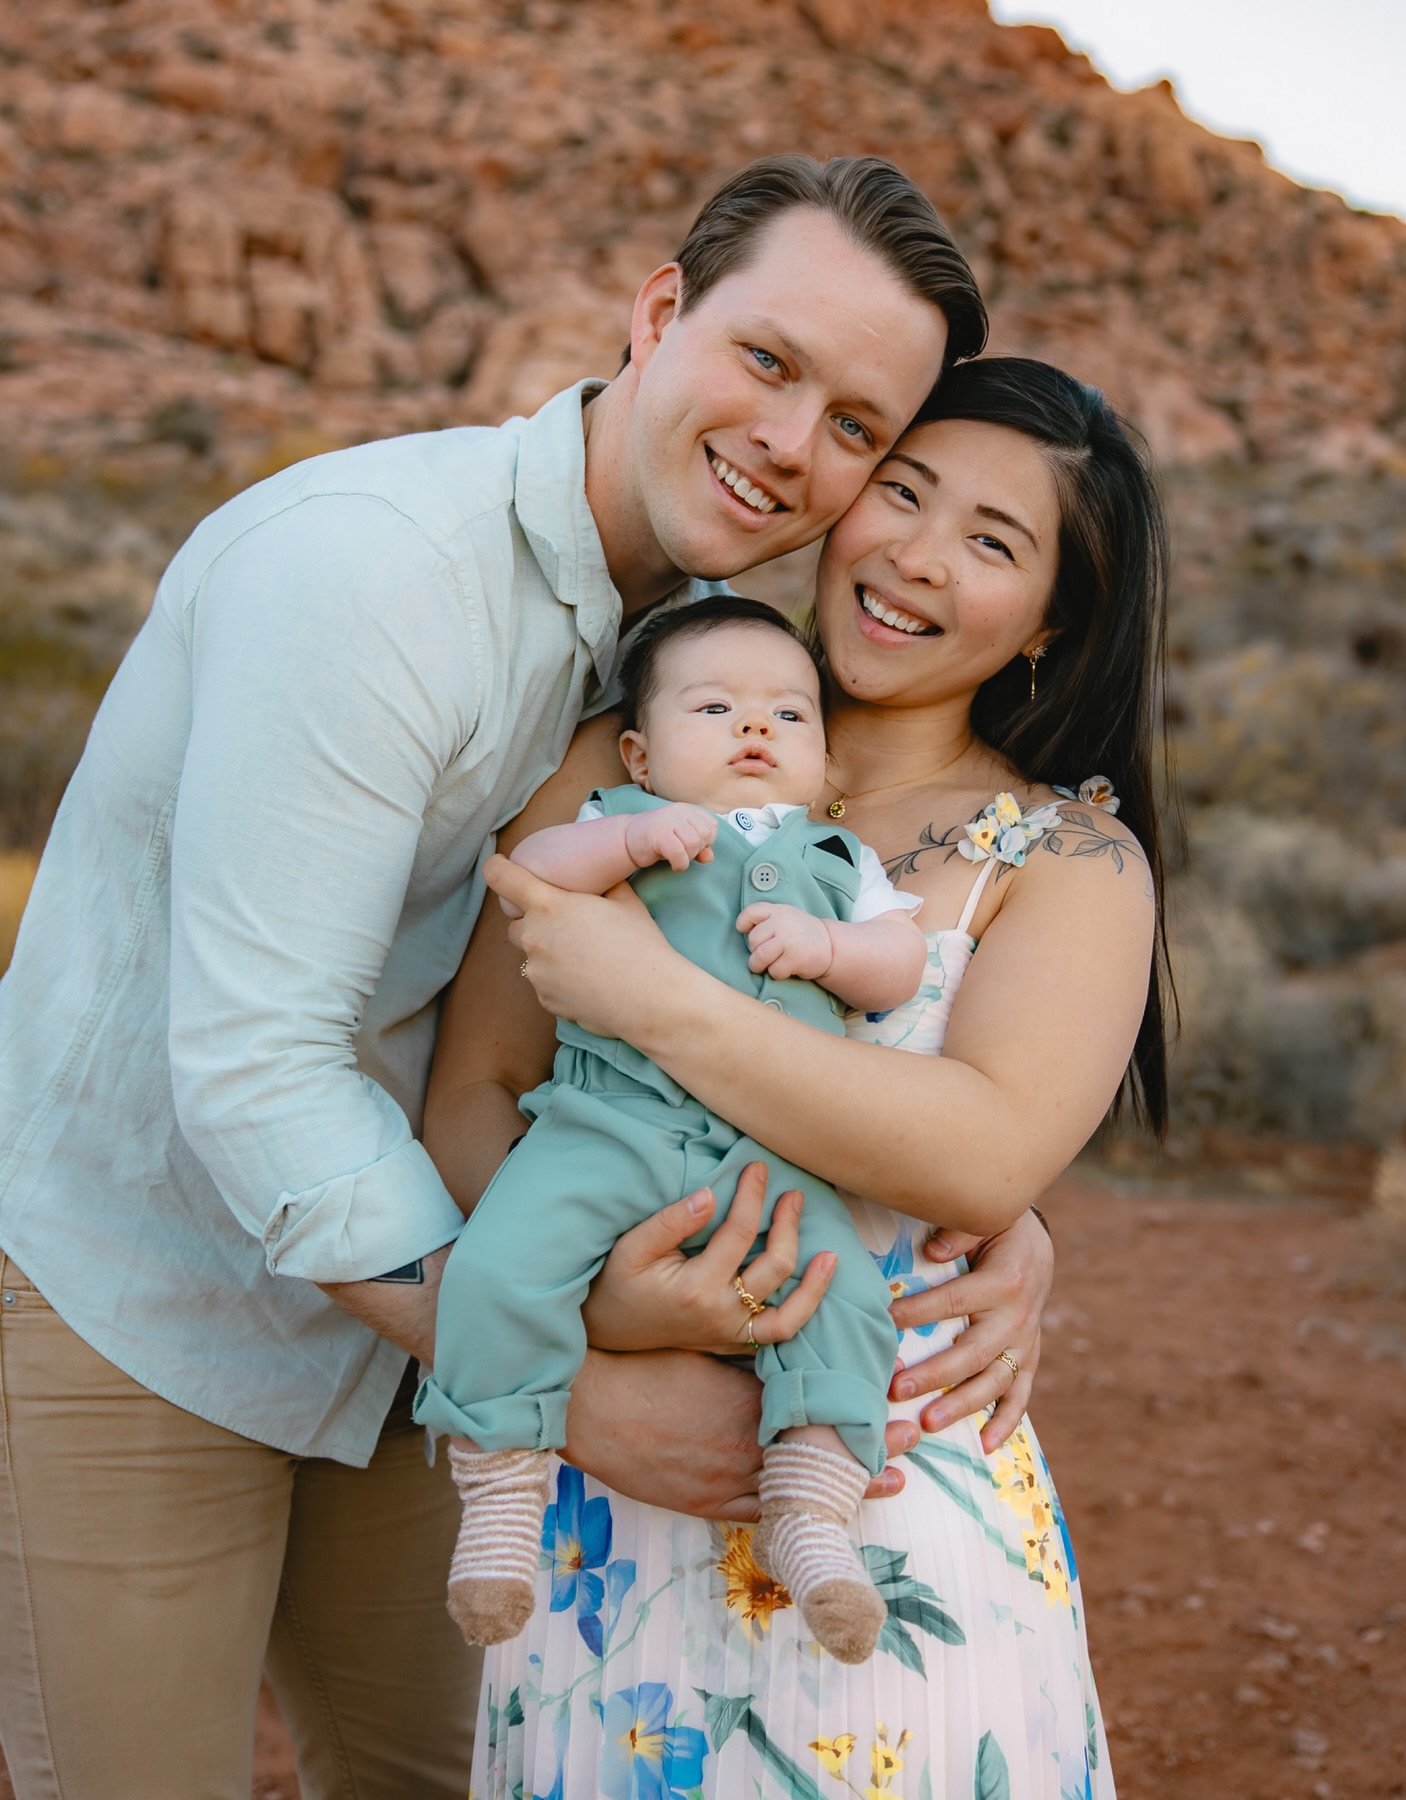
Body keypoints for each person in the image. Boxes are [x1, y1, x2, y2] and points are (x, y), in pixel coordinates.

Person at [0, 156, 1059, 1800]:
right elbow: (260, 1066)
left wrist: (970, 1195)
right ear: (658, 314)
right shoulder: (372, 576)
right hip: (142, 1295)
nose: (795, 445)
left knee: (449, 1776)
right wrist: (566, 1391)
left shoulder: (703, 653)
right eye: (768, 363)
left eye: (855, 426)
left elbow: (754, 981)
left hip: (406, 1309)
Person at [429, 354, 1172, 1796]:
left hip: (890, 1498)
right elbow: (472, 1090)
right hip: (611, 1497)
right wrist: (600, 1306)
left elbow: (979, 1157)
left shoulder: (1067, 859)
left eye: (992, 540)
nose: (915, 553)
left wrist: (656, 999)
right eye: (899, 491)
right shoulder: (628, 755)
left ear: (1049, 623)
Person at [416, 598, 928, 1660]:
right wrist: (626, 836)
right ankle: (502, 1492)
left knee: (843, 1296)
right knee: (504, 1257)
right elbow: (536, 878)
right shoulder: (613, 819)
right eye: (717, 708)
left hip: (777, 1151)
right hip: (608, 1125)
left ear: (825, 761)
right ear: (642, 753)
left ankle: (810, 1511)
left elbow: (900, 964)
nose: (755, 729)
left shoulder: (837, 856)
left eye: (788, 715)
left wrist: (831, 953)